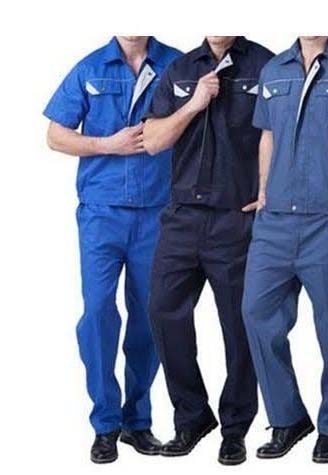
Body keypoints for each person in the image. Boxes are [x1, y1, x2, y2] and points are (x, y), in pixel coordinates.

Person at [143, 36, 280, 465]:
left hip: (237, 217)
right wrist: (193, 104)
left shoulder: (266, 66)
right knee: (162, 312)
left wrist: (268, 193)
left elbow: (280, 133)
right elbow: (153, 140)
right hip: (182, 216)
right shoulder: (181, 69)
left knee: (239, 327)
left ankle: (235, 428)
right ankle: (192, 417)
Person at [44, 36, 182, 463]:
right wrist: (108, 144)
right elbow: (55, 135)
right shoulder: (90, 68)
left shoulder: (176, 64)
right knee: (98, 313)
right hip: (101, 213)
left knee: (149, 318)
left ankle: (137, 422)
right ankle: (105, 424)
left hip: (158, 212)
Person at [242, 36, 328, 463]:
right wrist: (263, 191)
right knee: (256, 314)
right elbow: (267, 135)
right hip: (275, 221)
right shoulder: (274, 69)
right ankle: (287, 418)